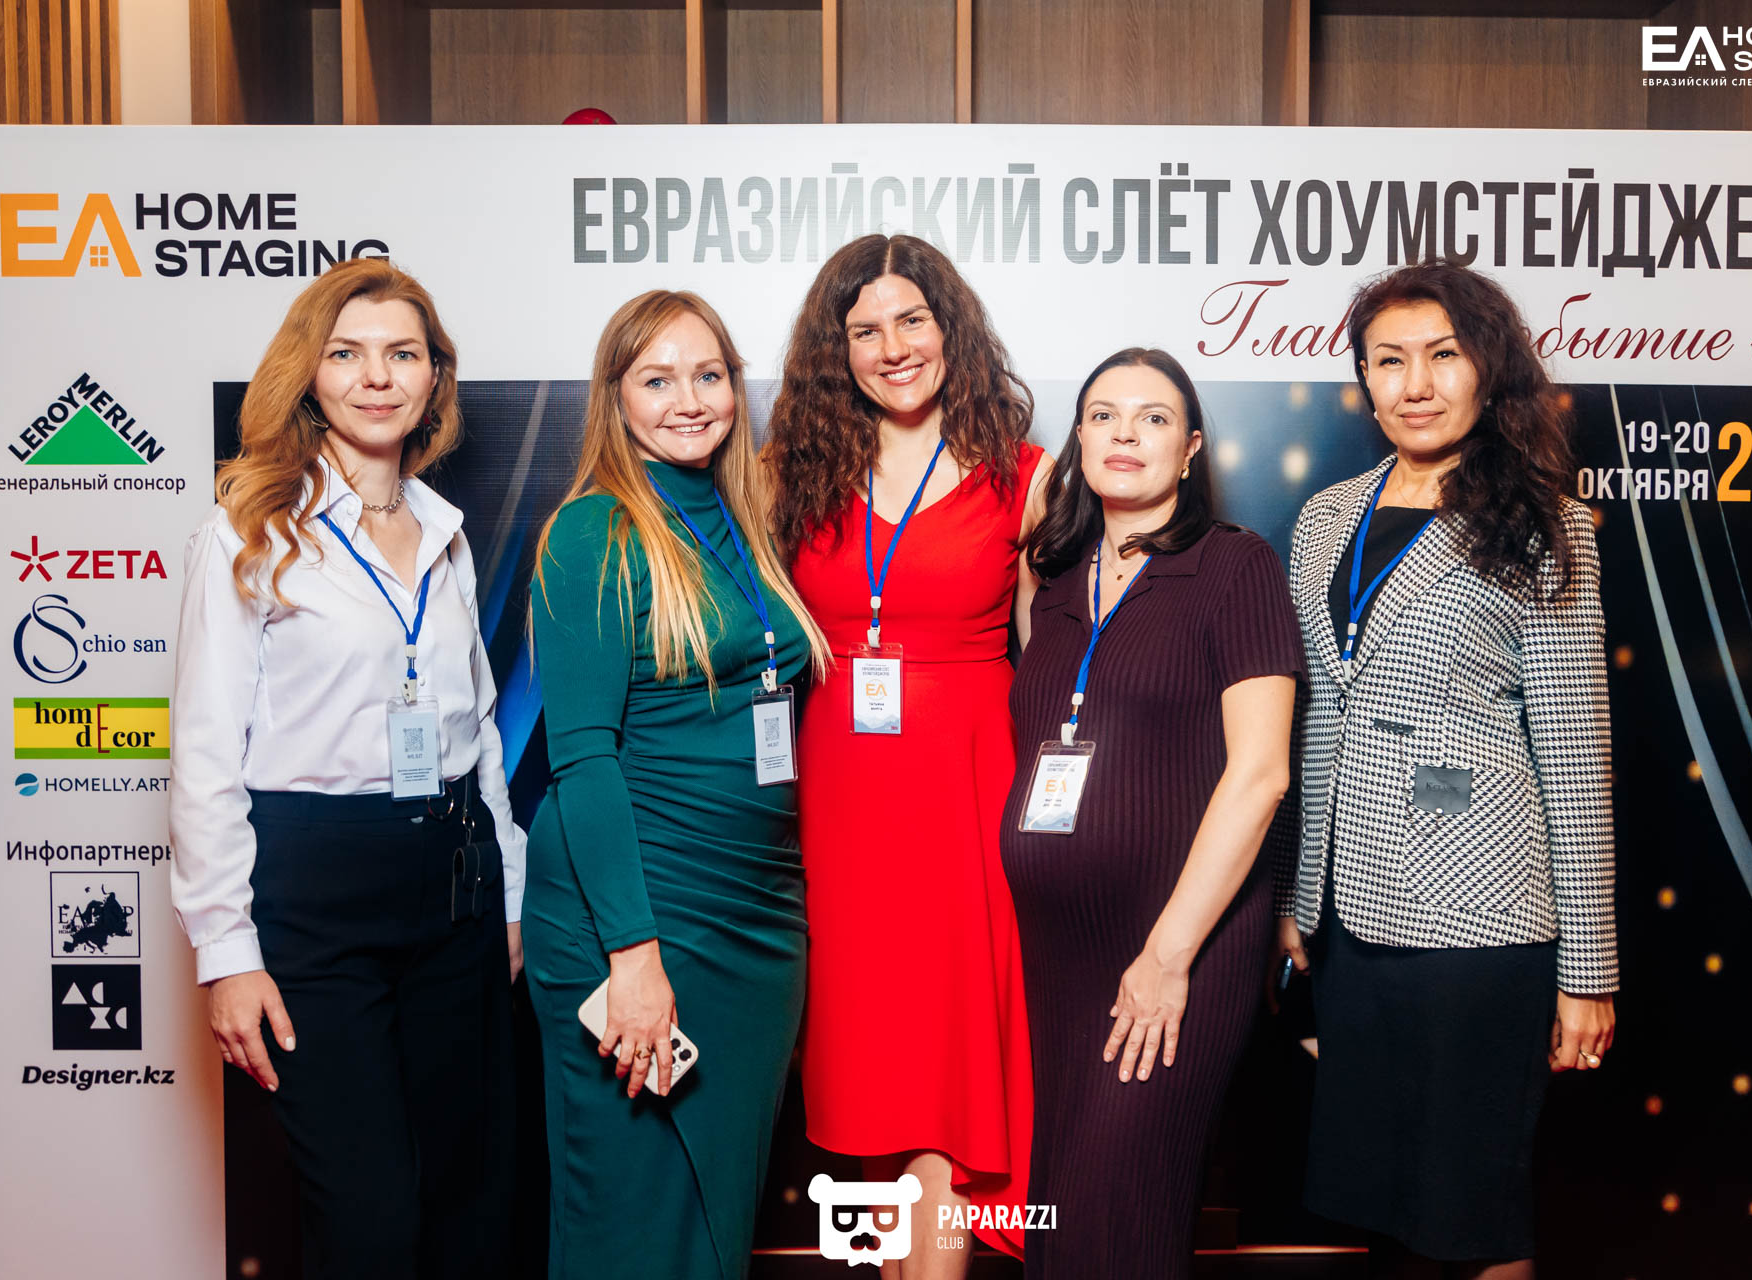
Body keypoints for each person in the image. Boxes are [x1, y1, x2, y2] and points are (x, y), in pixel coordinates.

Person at [169, 257, 523, 1279]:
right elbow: (204, 753)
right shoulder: (245, 533)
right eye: (347, 353)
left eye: (402, 354)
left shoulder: (446, 535)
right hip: (313, 902)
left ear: (433, 377)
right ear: (309, 375)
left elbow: (478, 730)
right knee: (369, 1224)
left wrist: (508, 893)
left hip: (455, 889)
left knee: (465, 1210)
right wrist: (226, 950)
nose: (377, 377)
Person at [1271, 260, 1618, 1280]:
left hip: (1480, 918)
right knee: (1383, 1198)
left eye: (1442, 355)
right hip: (1347, 915)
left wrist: (1589, 972)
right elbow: (1309, 719)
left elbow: (1577, 754)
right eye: (1389, 360)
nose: (1415, 384)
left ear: (1487, 368)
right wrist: (1295, 896)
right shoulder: (1325, 518)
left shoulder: (1546, 522)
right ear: (1364, 378)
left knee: (1475, 1212)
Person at [522, 290, 828, 1280]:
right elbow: (583, 759)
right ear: (615, 397)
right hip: (637, 916)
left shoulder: (743, 518)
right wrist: (634, 958)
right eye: (657, 380)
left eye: (709, 376)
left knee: (712, 1227)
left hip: (753, 921)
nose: (689, 401)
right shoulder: (593, 532)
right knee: (631, 1219)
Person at [765, 232, 1050, 1272]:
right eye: (865, 329)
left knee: (948, 1078)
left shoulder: (1026, 477)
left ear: (949, 327)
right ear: (834, 350)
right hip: (839, 811)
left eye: (912, 320)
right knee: (875, 1079)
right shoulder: (786, 475)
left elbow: (1054, 659)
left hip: (967, 800)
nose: (893, 347)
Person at [1000, 348, 1299, 1278]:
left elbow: (1261, 775)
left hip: (1178, 946)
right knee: (1063, 1225)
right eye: (1103, 414)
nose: (1125, 433)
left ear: (1191, 447)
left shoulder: (1235, 566)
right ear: (1078, 436)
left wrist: (1167, 959)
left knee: (1116, 1217)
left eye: (1154, 417)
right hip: (1058, 956)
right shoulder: (1052, 580)